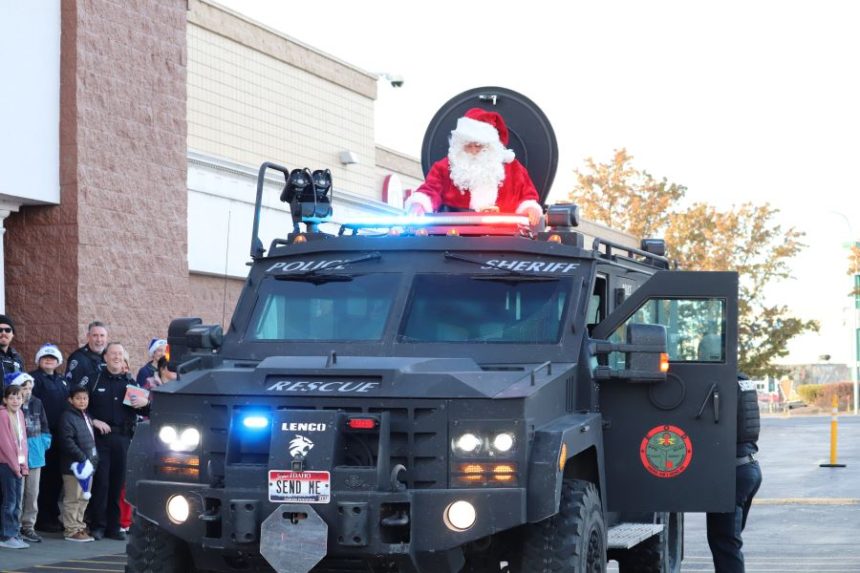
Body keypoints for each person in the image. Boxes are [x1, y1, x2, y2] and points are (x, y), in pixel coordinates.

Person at [404, 108, 542, 226]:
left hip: (506, 239)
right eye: (468, 145)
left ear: (490, 146)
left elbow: (527, 195)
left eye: (479, 145)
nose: (474, 151)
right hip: (454, 238)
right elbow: (430, 190)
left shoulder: (513, 169)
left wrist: (530, 209)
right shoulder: (445, 167)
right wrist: (419, 204)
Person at [85, 343, 148, 541]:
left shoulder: (130, 382)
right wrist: (93, 420)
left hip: (122, 439)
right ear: (105, 357)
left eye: (120, 354)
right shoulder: (94, 380)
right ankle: (97, 526)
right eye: (113, 353)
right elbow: (79, 405)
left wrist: (146, 403)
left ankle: (114, 527)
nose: (117, 357)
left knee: (117, 484)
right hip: (100, 439)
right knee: (101, 484)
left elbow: (145, 411)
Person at [706, 373, 762, 572]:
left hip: (732, 474)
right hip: (748, 467)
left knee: (726, 543)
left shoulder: (722, 384)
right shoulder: (743, 380)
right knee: (729, 540)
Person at [30, 343, 69, 533]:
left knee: (55, 479)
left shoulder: (62, 381)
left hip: (60, 436)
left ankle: (52, 515)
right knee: (42, 479)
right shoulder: (33, 379)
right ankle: (41, 518)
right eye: (45, 357)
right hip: (40, 436)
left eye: (53, 358)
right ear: (39, 360)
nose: (49, 360)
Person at [59, 386, 97, 542]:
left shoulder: (85, 416)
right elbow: (67, 441)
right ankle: (71, 530)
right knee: (73, 498)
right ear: (71, 400)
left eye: (85, 398)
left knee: (83, 498)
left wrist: (93, 461)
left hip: (88, 466)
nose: (82, 401)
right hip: (74, 466)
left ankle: (79, 526)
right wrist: (82, 458)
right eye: (78, 398)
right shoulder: (67, 417)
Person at [16, 374, 51, 544]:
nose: (27, 391)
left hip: (35, 451)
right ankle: (14, 527)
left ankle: (28, 526)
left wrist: (45, 442)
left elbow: (44, 423)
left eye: (30, 388)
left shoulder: (37, 402)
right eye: (24, 388)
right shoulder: (11, 403)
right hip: (17, 453)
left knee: (32, 493)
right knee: (17, 492)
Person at [0, 383, 29, 549]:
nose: (15, 400)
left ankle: (14, 532)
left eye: (18, 397)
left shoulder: (20, 414)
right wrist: (15, 467)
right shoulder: (3, 415)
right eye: (12, 397)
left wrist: (23, 464)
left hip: (18, 464)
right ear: (5, 399)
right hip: (6, 464)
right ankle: (6, 535)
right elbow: (5, 443)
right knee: (9, 502)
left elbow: (22, 442)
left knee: (17, 501)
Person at [65, 321, 108, 387]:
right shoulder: (77, 358)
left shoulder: (110, 357)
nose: (99, 339)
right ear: (88, 336)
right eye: (95, 335)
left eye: (102, 335)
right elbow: (71, 385)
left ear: (106, 337)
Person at [0, 315, 25, 385]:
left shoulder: (17, 358)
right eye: (0, 330)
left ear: (12, 334)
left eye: (7, 330)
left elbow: (22, 386)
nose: (3, 333)